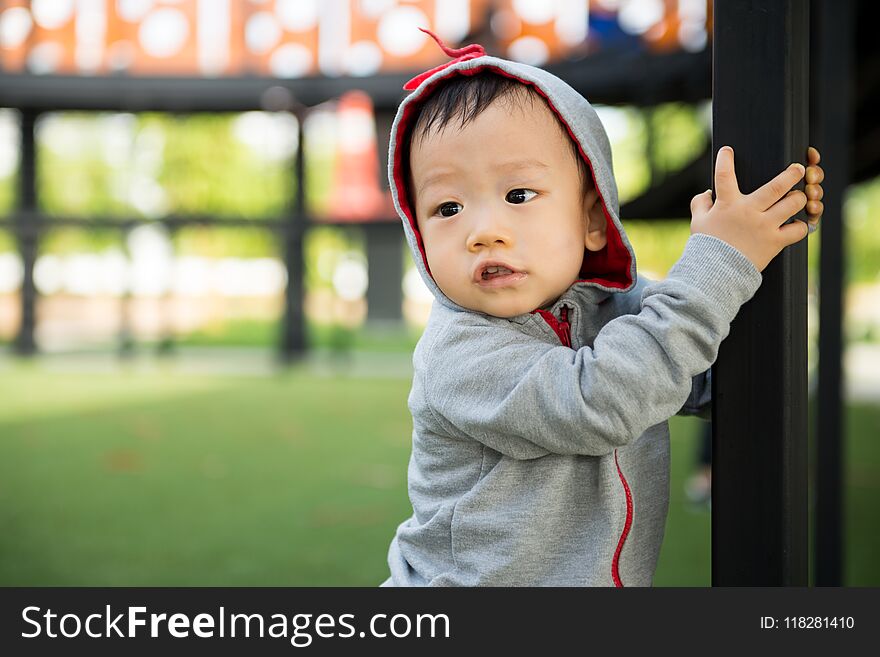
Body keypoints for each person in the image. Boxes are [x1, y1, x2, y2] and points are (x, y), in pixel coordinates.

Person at [380, 30, 824, 586]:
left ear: (593, 219)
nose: (483, 232)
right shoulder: (461, 354)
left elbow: (700, 371)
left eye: (518, 195)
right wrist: (720, 262)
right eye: (447, 207)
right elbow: (602, 401)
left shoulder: (608, 312)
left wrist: (763, 234)